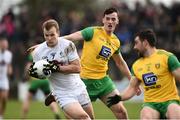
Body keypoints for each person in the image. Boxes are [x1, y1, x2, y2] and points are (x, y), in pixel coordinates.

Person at [107, 28, 180, 119]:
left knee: (175, 113)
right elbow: (132, 88)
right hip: (151, 104)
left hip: (170, 101)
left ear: (145, 43)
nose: (134, 47)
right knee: (145, 115)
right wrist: (119, 98)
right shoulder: (137, 65)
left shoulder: (167, 57)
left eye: (136, 43)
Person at [29, 19, 94, 119]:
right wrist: (36, 72)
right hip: (62, 93)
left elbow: (77, 68)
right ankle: (56, 95)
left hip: (78, 87)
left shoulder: (68, 45)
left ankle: (54, 96)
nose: (49, 38)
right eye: (46, 35)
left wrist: (55, 67)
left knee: (91, 118)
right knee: (84, 118)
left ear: (58, 33)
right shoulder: (38, 52)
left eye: (52, 35)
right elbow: (41, 73)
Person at [21, 53, 60, 119]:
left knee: (28, 99)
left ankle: (23, 117)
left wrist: (25, 75)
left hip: (35, 80)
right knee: (50, 99)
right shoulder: (46, 52)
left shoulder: (33, 54)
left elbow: (28, 66)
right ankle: (56, 113)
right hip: (45, 80)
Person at [0, 37, 13, 119]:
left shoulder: (9, 54)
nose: (5, 45)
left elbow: (9, 65)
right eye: (3, 43)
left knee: (4, 98)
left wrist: (10, 71)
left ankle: (1, 115)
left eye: (6, 44)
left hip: (4, 79)